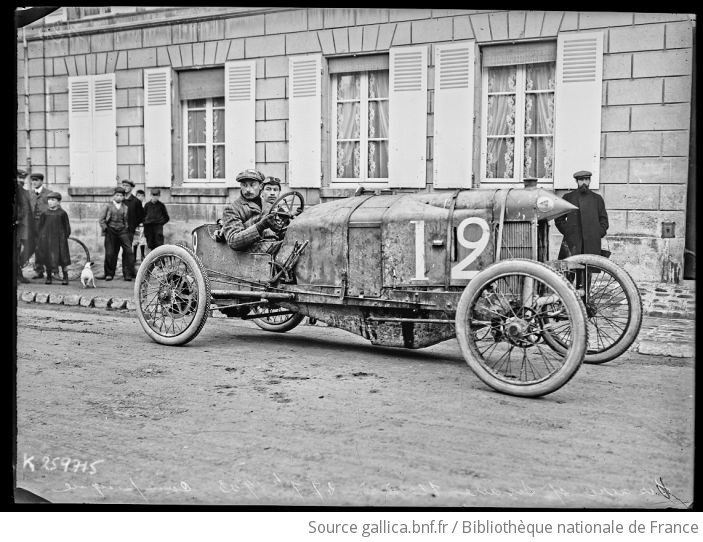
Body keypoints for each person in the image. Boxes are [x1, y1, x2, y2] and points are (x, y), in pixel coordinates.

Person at [220, 169, 284, 253]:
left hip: (275, 247)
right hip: (253, 254)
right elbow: (233, 241)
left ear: (261, 186)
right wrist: (261, 226)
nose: (248, 190)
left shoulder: (269, 206)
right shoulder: (232, 209)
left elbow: (282, 232)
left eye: (252, 185)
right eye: (244, 185)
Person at [555, 170, 609, 259]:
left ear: (590, 181)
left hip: (591, 241)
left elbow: (604, 220)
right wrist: (568, 232)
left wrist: (598, 233)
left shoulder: (597, 199)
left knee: (590, 267)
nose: (584, 182)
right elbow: (559, 219)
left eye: (586, 179)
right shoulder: (568, 197)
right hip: (573, 240)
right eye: (581, 180)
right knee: (571, 268)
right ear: (576, 181)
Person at [98, 186, 135, 281]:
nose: (119, 197)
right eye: (117, 195)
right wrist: (106, 229)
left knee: (128, 251)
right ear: (113, 196)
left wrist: (125, 228)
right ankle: (109, 274)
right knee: (110, 252)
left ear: (123, 197)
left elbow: (125, 220)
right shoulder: (108, 206)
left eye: (121, 195)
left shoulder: (125, 207)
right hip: (111, 230)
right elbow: (101, 219)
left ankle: (127, 274)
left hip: (122, 230)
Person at [36, 191, 71, 285]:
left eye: (53, 200)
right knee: (48, 258)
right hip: (47, 240)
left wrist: (65, 236)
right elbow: (40, 226)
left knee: (63, 259)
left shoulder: (62, 213)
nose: (50, 202)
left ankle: (65, 277)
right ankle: (49, 277)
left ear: (58, 202)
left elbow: (67, 226)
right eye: (49, 200)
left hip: (60, 240)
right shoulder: (45, 213)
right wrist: (41, 237)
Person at [28, 172, 51, 279]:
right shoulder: (29, 194)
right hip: (33, 225)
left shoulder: (49, 194)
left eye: (36, 180)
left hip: (45, 224)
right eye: (32, 180)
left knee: (47, 247)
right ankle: (39, 271)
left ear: (41, 181)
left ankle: (51, 270)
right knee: (36, 247)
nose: (34, 182)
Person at [121, 179, 145, 274]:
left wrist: (134, 226)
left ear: (131, 188)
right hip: (119, 229)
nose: (125, 187)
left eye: (127, 186)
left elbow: (141, 216)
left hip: (130, 230)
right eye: (123, 185)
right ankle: (123, 271)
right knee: (119, 252)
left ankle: (128, 272)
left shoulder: (136, 201)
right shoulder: (120, 199)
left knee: (127, 251)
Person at [14, 169, 33, 283]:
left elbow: (26, 208)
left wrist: (18, 219)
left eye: (23, 179)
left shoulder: (23, 191)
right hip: (18, 225)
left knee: (26, 247)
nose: (21, 180)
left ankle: (18, 272)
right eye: (19, 178)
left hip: (23, 226)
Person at [132, 190, 147, 262]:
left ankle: (142, 255)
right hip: (136, 226)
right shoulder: (134, 205)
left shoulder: (145, 205)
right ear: (136, 196)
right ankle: (134, 256)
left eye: (142, 196)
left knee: (142, 241)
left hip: (143, 226)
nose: (140, 197)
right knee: (135, 241)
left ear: (144, 197)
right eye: (138, 196)